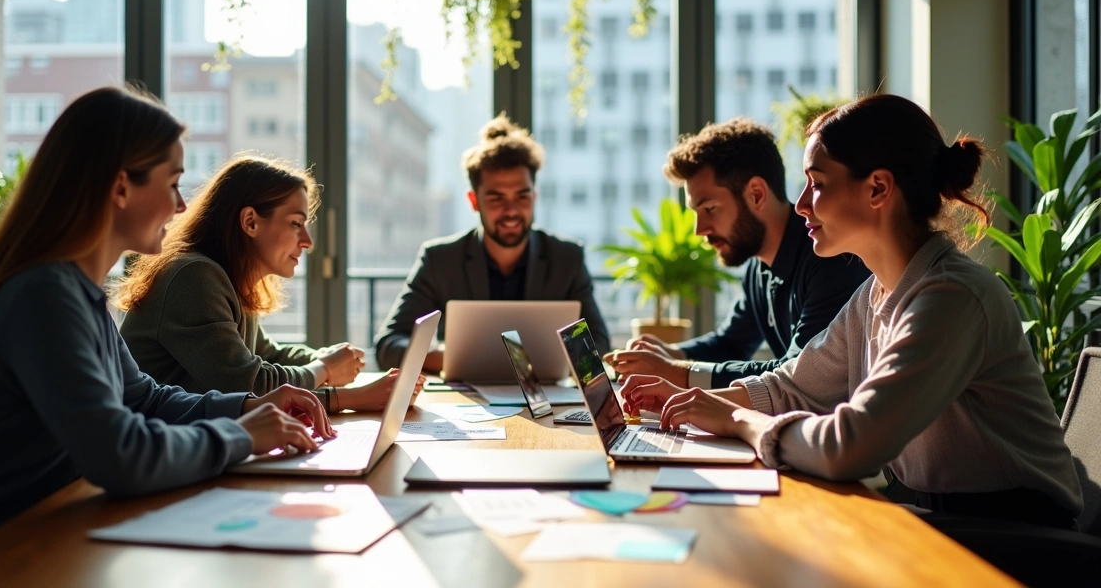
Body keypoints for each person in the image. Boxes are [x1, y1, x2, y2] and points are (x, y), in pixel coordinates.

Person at [0, 87, 335, 552]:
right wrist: (239, 435)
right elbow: (119, 456)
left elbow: (142, 398)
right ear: (121, 188)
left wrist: (245, 406)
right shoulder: (43, 295)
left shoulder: (74, 291)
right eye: (172, 183)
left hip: (33, 521)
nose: (181, 206)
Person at [623, 94, 1082, 526]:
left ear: (878, 188)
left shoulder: (951, 297)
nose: (801, 204)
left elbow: (850, 446)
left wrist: (737, 419)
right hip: (941, 520)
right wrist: (689, 403)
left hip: (1013, 539)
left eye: (818, 184)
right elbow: (793, 387)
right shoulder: (875, 293)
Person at [117, 155, 421, 412]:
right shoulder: (194, 277)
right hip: (162, 444)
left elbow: (267, 355)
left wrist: (323, 357)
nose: (308, 242)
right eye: (296, 224)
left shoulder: (230, 279)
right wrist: (334, 381)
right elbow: (251, 385)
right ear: (250, 222)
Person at [606, 118, 869, 389]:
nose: (699, 230)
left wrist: (677, 372)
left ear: (756, 194)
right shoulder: (758, 267)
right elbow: (731, 343)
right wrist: (672, 354)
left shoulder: (831, 258)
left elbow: (797, 373)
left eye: (709, 209)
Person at [374, 114, 610, 372]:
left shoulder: (566, 258)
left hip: (547, 392)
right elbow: (388, 346)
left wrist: (556, 357)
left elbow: (599, 344)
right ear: (474, 201)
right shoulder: (440, 260)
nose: (511, 211)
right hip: (464, 395)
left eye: (522, 197)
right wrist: (446, 356)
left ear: (535, 196)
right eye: (497, 198)